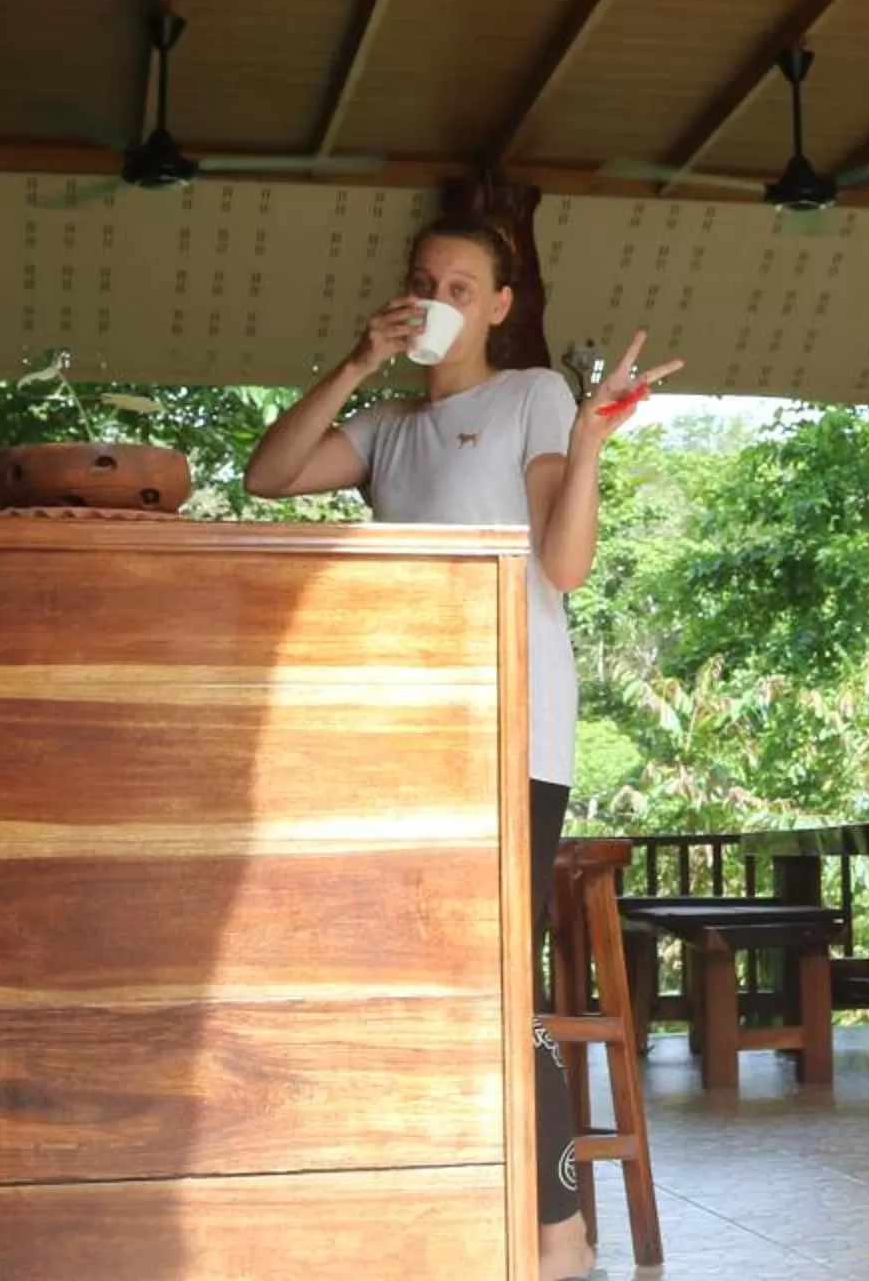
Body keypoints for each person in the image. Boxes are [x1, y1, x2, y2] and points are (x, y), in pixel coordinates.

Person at [244, 213, 678, 1281]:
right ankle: (455, 1210)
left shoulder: (531, 394)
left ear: (499, 306)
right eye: (422, 281)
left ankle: (561, 1235)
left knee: (499, 982)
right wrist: (358, 361)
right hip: (412, 733)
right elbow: (268, 476)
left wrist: (589, 446)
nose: (437, 298)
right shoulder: (387, 427)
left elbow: (563, 569)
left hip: (516, 729)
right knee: (416, 977)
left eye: (461, 286)